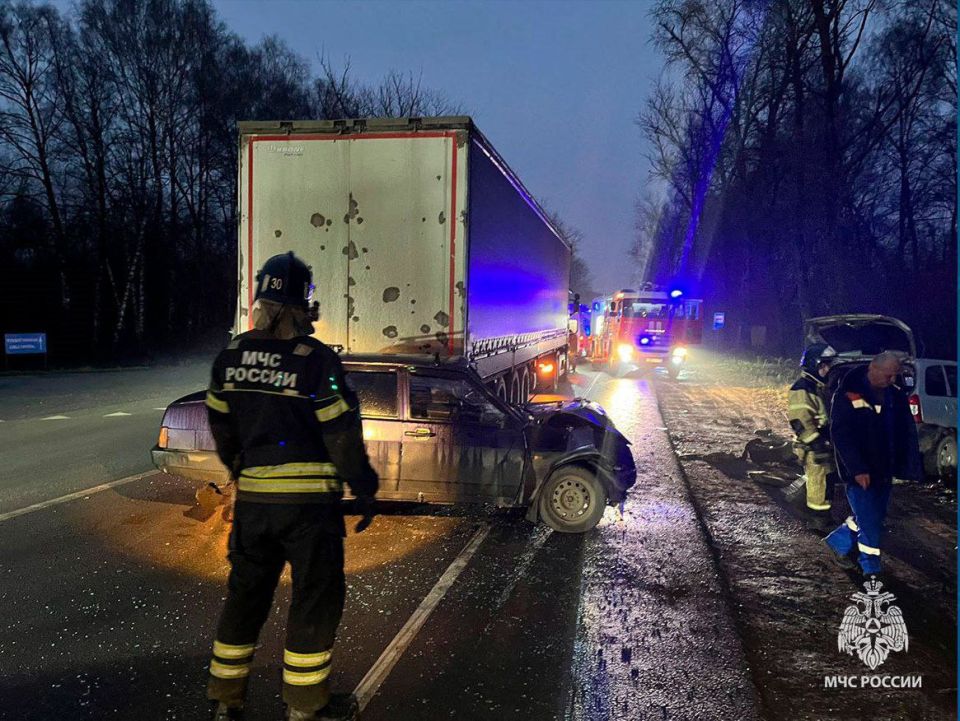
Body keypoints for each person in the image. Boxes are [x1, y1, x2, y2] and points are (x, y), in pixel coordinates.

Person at [205, 251, 378, 721]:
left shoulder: (231, 357)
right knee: (314, 601)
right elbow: (341, 435)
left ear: (260, 300)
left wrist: (244, 471)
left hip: (254, 507)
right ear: (305, 305)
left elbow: (221, 428)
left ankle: (225, 700)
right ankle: (304, 707)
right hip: (308, 512)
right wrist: (364, 487)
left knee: (244, 599)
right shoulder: (315, 361)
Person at [824, 351, 921, 578]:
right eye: (888, 375)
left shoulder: (894, 396)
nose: (892, 381)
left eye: (895, 376)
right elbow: (842, 435)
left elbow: (903, 433)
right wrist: (857, 469)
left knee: (873, 516)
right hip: (859, 473)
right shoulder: (848, 395)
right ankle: (871, 568)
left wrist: (906, 464)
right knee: (870, 523)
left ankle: (838, 542)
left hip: (884, 470)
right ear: (873, 369)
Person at [787, 343, 838, 531]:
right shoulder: (803, 388)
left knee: (824, 481)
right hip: (813, 445)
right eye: (824, 365)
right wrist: (816, 443)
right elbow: (800, 421)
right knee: (819, 482)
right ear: (814, 365)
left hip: (822, 441)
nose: (827, 369)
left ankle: (810, 509)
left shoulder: (817, 386)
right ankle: (818, 520)